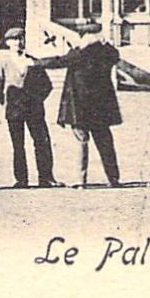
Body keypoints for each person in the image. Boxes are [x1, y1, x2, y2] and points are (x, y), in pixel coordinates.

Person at [35, 21, 124, 188]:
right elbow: (115, 55)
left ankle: (80, 179)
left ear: (86, 37)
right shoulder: (107, 53)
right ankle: (113, 178)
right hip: (101, 109)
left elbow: (57, 61)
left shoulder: (79, 54)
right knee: (105, 143)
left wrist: (36, 62)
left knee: (81, 143)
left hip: (80, 107)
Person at [0, 27, 61, 188]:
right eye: (14, 40)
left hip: (34, 109)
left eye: (21, 39)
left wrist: (36, 100)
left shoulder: (34, 61)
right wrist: (8, 103)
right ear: (8, 43)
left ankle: (46, 178)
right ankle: (21, 179)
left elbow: (47, 86)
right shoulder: (4, 64)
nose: (18, 43)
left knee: (41, 142)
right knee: (18, 145)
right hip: (14, 112)